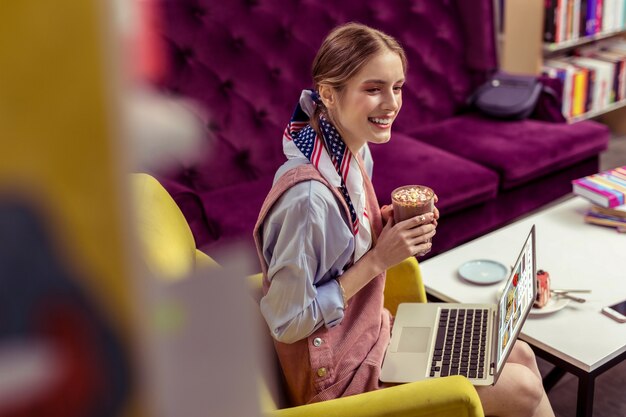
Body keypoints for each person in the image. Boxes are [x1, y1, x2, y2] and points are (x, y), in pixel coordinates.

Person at [253, 22, 555, 417]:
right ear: (328, 93)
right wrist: (379, 258)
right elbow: (288, 320)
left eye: (397, 87)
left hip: (373, 333)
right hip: (339, 374)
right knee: (523, 389)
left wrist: (382, 223)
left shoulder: (352, 152)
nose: (392, 103)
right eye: (373, 89)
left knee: (521, 353)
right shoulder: (308, 199)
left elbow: (339, 246)